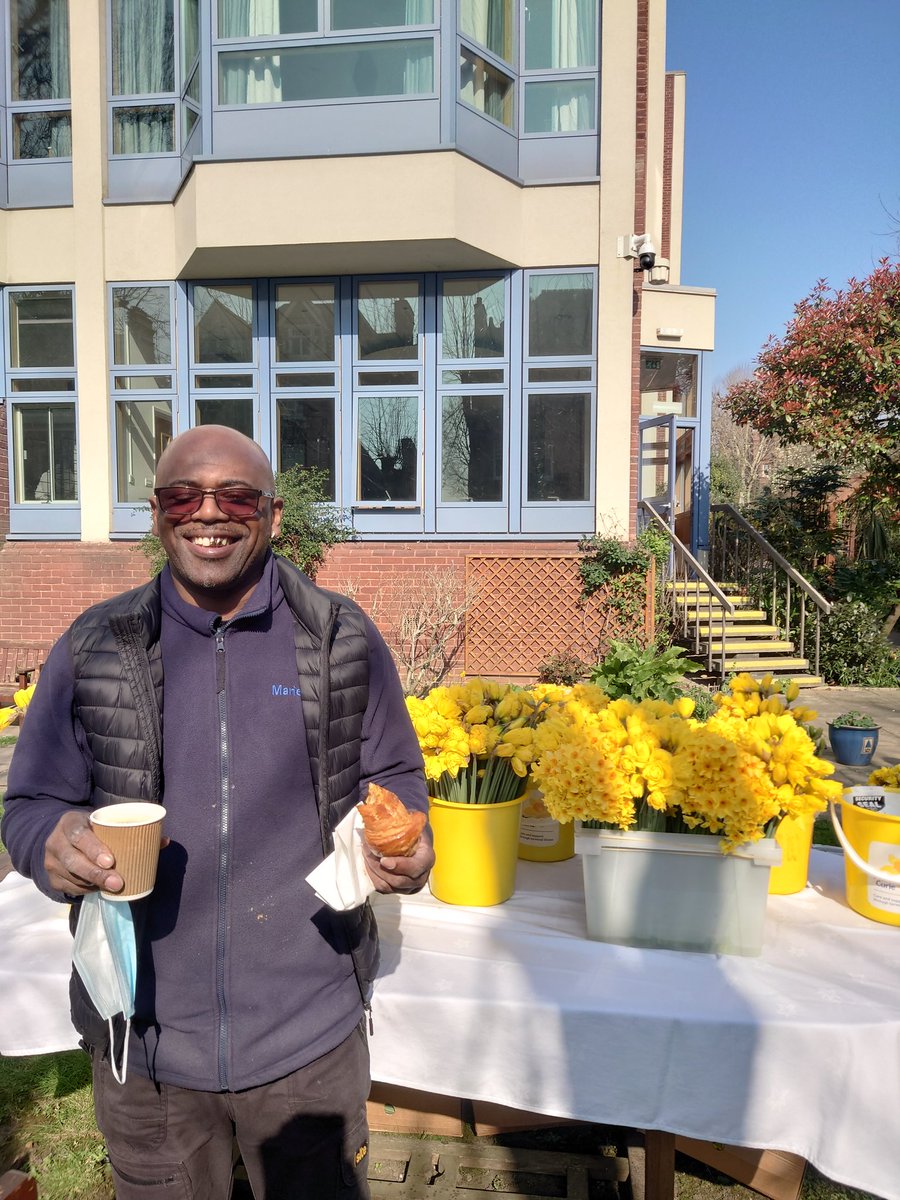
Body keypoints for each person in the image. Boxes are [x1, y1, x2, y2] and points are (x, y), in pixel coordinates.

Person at [0, 425, 434, 1199]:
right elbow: (31, 801)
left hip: (308, 1037)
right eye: (183, 496)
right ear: (158, 513)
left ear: (270, 515)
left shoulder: (339, 638)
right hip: (147, 1046)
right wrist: (50, 844)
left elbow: (396, 772)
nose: (209, 513)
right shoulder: (95, 645)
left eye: (235, 496)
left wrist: (411, 846)